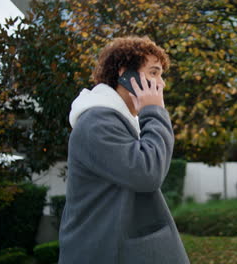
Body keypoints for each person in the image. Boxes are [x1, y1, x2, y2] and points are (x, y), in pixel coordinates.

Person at [58, 36, 190, 264]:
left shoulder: (119, 121)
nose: (162, 83)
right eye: (154, 72)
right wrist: (154, 112)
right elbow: (147, 173)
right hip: (103, 252)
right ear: (125, 74)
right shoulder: (97, 122)